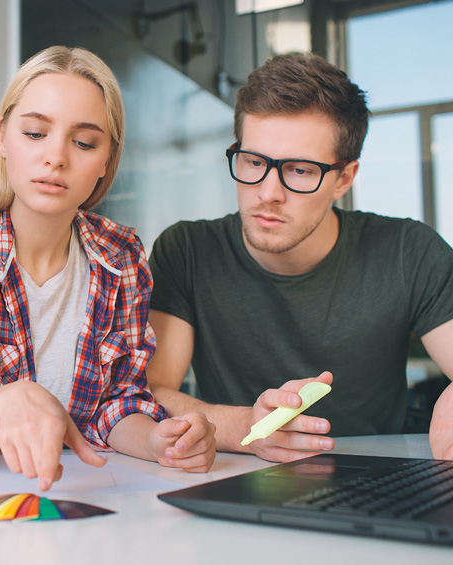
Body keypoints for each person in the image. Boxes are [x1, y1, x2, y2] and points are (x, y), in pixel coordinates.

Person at [0, 46, 216, 491]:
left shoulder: (123, 255)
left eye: (83, 142)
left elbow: (116, 406)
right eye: (35, 133)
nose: (56, 157)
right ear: (3, 137)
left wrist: (159, 441)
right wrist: (6, 405)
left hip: (87, 494)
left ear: (106, 161)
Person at [147, 52, 453, 463]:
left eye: (300, 171)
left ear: (343, 178)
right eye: (254, 162)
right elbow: (149, 392)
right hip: (232, 477)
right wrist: (243, 427)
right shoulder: (186, 251)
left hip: (376, 481)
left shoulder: (408, 252)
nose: (268, 192)